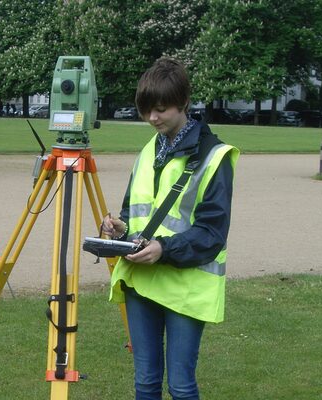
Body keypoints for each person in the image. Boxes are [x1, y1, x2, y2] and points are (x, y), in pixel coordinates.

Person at [102, 57, 239, 400]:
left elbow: (211, 234)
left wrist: (164, 248)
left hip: (185, 289)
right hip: (141, 283)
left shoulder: (215, 157)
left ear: (184, 103)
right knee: (145, 383)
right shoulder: (148, 149)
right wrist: (120, 229)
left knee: (180, 386)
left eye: (161, 109)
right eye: (147, 110)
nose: (152, 118)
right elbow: (135, 213)